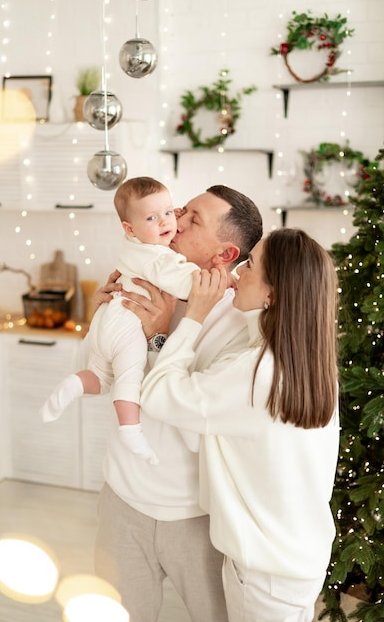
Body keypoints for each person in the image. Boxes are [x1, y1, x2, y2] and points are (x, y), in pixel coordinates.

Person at [140, 227, 340, 622]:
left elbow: (158, 395)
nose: (238, 271)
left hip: (265, 574)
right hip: (294, 561)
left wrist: (191, 316)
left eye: (252, 263)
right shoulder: (305, 362)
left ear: (272, 293)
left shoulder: (257, 373)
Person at [91, 184, 263, 622]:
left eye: (192, 220)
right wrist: (99, 321)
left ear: (224, 256)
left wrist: (158, 338)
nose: (174, 220)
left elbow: (193, 427)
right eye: (182, 209)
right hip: (121, 500)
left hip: (193, 515)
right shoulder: (139, 279)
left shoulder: (238, 324)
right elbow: (97, 378)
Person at [39, 177, 200, 465]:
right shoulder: (159, 258)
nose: (169, 222)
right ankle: (131, 431)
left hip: (108, 317)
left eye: (170, 212)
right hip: (126, 325)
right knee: (129, 378)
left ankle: (73, 385)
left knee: (100, 379)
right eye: (154, 217)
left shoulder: (134, 245)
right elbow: (187, 284)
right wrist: (218, 282)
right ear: (129, 228)